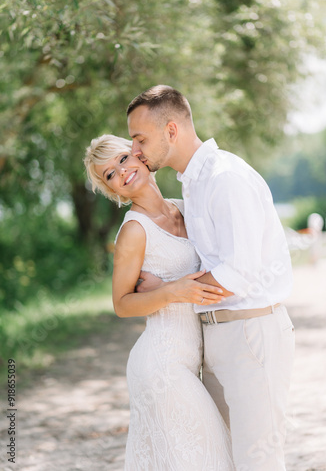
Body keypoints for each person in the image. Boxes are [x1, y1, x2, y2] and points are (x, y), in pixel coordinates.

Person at [126, 85, 295, 471]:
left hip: (251, 333)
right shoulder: (193, 184)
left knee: (258, 459)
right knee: (227, 458)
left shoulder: (225, 178)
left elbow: (241, 271)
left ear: (171, 130)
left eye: (140, 139)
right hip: (215, 334)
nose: (135, 150)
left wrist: (170, 293)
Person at [84, 134, 235, 471]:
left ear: (140, 157)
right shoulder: (134, 231)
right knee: (210, 457)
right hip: (161, 365)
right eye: (109, 174)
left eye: (123, 159)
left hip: (195, 360)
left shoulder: (184, 208)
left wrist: (168, 285)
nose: (121, 172)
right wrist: (170, 291)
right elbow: (122, 304)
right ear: (113, 191)